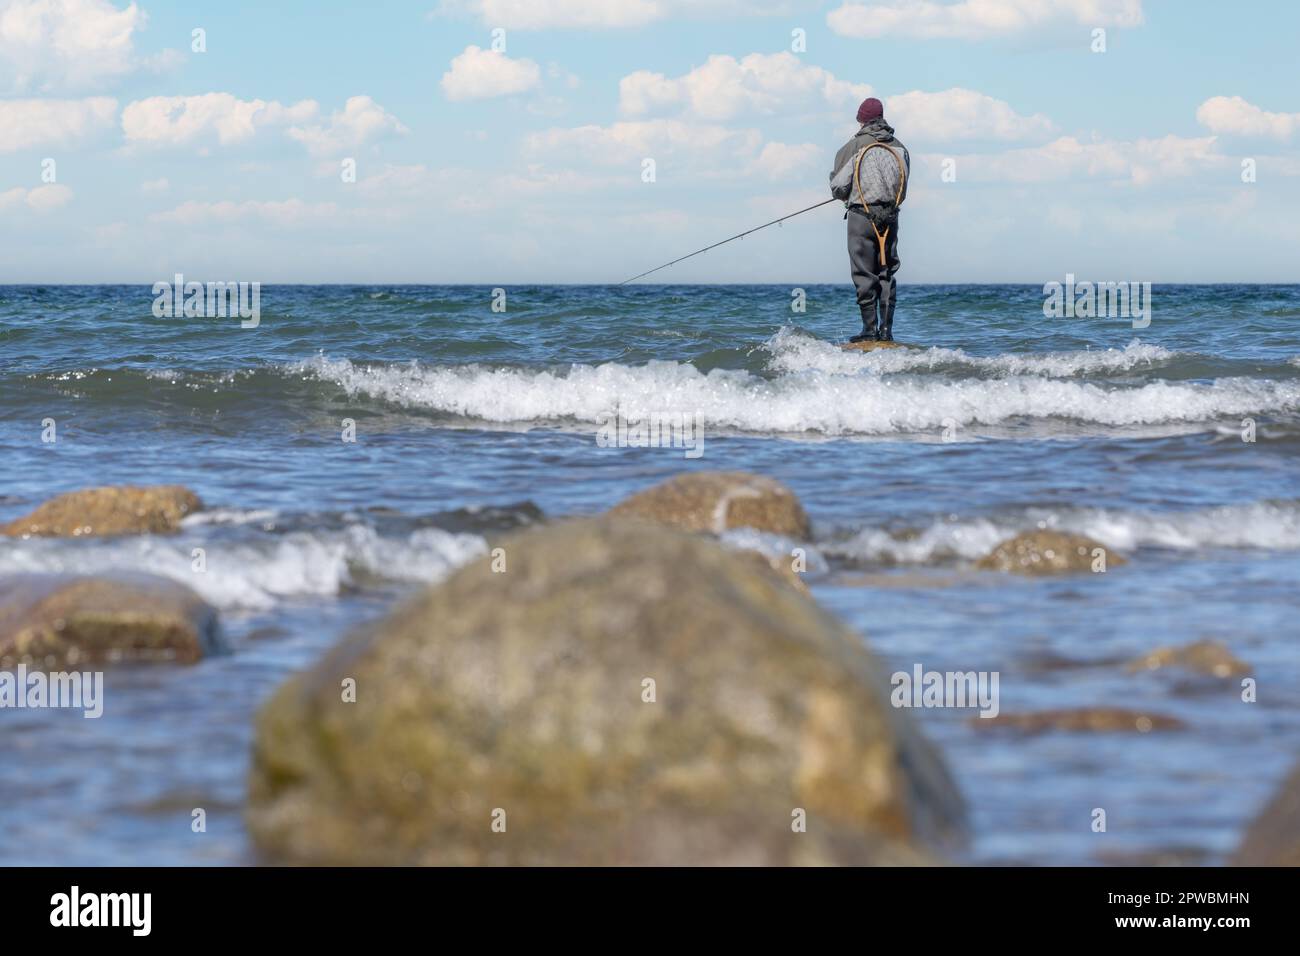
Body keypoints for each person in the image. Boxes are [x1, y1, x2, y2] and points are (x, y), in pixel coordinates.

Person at [829, 97, 910, 342]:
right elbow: (902, 189)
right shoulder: (901, 147)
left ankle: (868, 331)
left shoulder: (851, 147)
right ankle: (886, 332)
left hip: (861, 218)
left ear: (861, 119)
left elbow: (838, 188)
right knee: (887, 272)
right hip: (890, 217)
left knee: (864, 274)